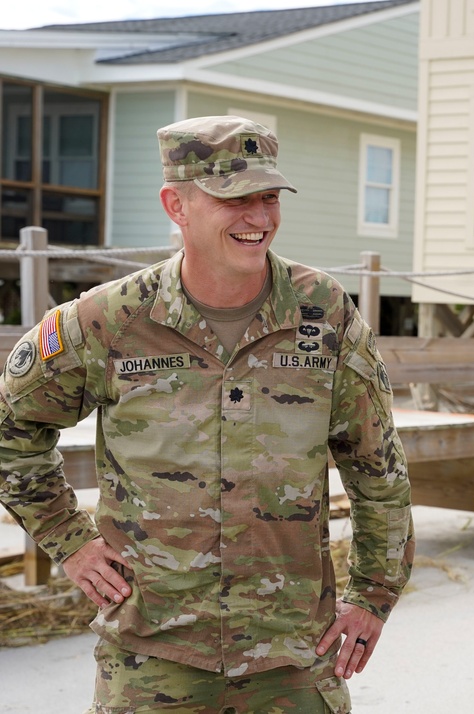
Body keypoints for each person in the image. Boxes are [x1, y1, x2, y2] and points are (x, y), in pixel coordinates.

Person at [0, 115, 415, 713]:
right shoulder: (110, 321)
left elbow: (377, 466)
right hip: (154, 658)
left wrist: (373, 595)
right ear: (177, 205)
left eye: (269, 198)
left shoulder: (322, 312)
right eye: (234, 199)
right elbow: (12, 427)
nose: (259, 218)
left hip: (293, 657)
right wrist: (70, 542)